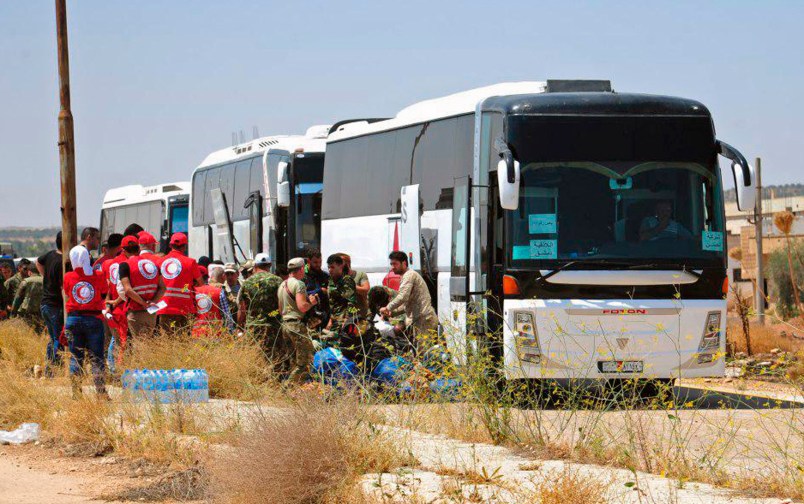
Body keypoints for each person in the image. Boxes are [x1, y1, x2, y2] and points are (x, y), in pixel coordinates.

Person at [63, 245, 109, 399]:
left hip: (73, 319)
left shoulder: (68, 276)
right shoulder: (99, 274)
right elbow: (103, 294)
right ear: (88, 257)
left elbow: (69, 293)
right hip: (94, 319)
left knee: (76, 357)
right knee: (97, 357)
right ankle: (101, 393)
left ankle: (76, 394)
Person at [380, 251, 438, 351]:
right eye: (391, 264)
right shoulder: (407, 276)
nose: (392, 267)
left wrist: (387, 307)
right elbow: (408, 303)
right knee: (422, 352)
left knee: (424, 353)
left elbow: (403, 297)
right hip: (421, 319)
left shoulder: (409, 275)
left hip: (423, 319)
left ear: (404, 263)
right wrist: (392, 312)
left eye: (395, 264)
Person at [278, 257, 320, 384]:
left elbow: (280, 310)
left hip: (285, 325)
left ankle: (294, 391)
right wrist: (312, 302)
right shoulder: (299, 284)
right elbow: (302, 307)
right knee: (304, 362)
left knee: (293, 362)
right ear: (302, 268)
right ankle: (287, 388)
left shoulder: (282, 284)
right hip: (296, 325)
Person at [237, 253, 283, 361]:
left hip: (254, 327)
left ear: (255, 266)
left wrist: (239, 327)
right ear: (270, 265)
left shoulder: (247, 283)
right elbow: (282, 307)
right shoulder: (278, 281)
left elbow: (242, 309)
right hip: (273, 326)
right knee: (274, 359)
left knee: (256, 359)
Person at [118, 236, 165, 339]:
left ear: (123, 250)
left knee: (138, 346)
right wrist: (152, 302)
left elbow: (128, 290)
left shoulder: (124, 265)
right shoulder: (154, 264)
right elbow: (162, 288)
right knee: (148, 343)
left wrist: (144, 303)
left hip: (135, 311)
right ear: (139, 248)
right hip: (151, 313)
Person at [157, 233, 202, 331]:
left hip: (164, 307)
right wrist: (185, 286)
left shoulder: (160, 262)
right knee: (183, 342)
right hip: (184, 308)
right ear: (185, 246)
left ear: (170, 245)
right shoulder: (191, 262)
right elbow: (200, 283)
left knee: (167, 340)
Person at [36, 232, 67, 372]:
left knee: (53, 337)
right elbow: (62, 288)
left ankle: (50, 366)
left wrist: (45, 276)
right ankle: (53, 369)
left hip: (45, 304)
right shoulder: (63, 262)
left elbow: (38, 261)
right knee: (58, 338)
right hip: (55, 305)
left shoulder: (50, 255)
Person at [102, 235, 137, 356]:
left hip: (112, 309)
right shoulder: (129, 264)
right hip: (124, 308)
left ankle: (113, 370)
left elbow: (106, 286)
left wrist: (108, 304)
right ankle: (119, 371)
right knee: (125, 344)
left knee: (117, 342)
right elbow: (124, 290)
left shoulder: (109, 263)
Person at [326, 254, 358, 329]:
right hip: (334, 319)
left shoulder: (346, 280)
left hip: (343, 320)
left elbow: (351, 302)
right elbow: (332, 302)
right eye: (329, 267)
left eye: (333, 267)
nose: (330, 270)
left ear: (340, 266)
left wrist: (347, 320)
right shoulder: (331, 280)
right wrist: (330, 320)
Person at [11, 267, 43, 332]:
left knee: (28, 330)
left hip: (27, 310)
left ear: (29, 272)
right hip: (41, 309)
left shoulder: (25, 281)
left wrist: (13, 312)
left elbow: (17, 298)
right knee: (41, 330)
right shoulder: (45, 280)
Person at [339, 253, 370, 318]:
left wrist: (350, 285)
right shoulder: (335, 277)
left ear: (347, 263)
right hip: (342, 317)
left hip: (360, 315)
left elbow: (365, 290)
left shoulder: (360, 275)